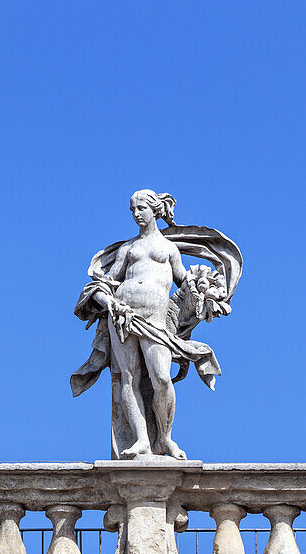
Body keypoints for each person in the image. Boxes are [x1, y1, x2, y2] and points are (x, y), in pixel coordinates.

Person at [71, 190, 242, 460]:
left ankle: (164, 438)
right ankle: (141, 440)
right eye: (133, 210)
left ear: (155, 210)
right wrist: (111, 303)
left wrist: (206, 291)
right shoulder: (128, 249)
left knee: (161, 378)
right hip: (124, 317)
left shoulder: (169, 249)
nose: (137, 214)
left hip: (156, 318)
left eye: (141, 208)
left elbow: (185, 282)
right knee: (128, 378)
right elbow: (104, 284)